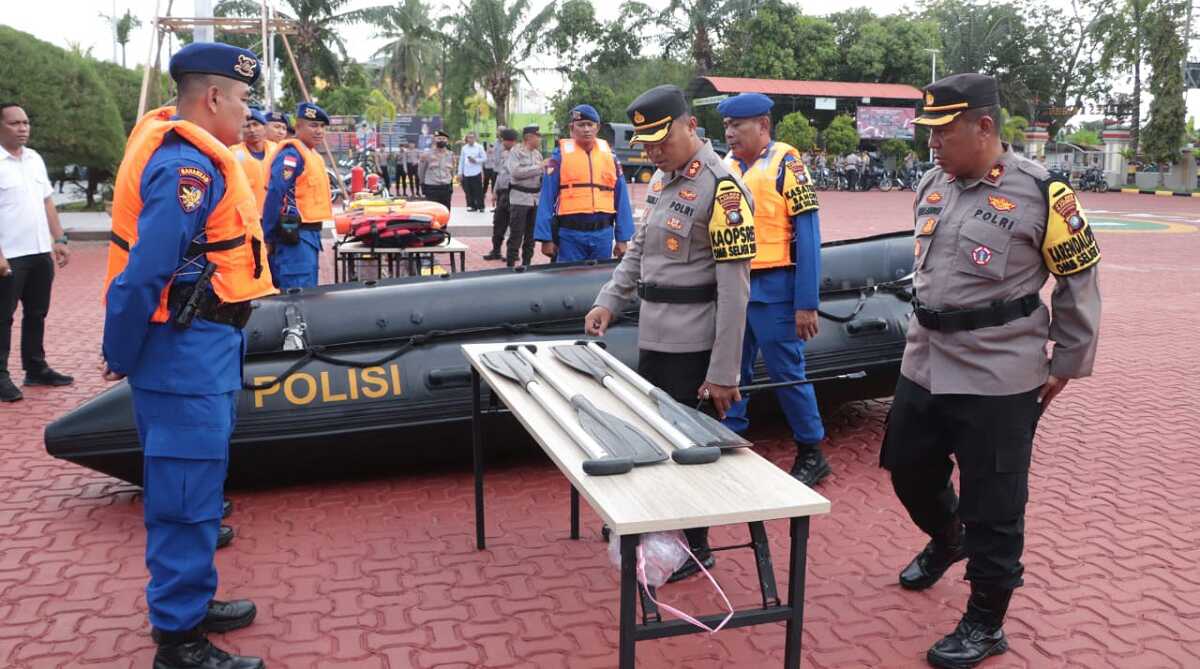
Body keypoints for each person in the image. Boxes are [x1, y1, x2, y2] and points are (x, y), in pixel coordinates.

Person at [882, 73, 1101, 669]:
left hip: (1000, 371)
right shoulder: (933, 183)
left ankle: (986, 621)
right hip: (925, 359)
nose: (932, 143)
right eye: (928, 131)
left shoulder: (1043, 193)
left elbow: (1078, 283)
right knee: (907, 470)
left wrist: (1068, 360)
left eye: (943, 130)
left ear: (984, 127)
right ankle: (948, 538)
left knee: (995, 500)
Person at [101, 42, 275, 669]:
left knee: (199, 489)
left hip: (204, 347)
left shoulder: (196, 159)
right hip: (181, 355)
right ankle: (178, 641)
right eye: (243, 98)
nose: (247, 112)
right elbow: (144, 273)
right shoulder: (186, 169)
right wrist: (119, 351)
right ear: (213, 98)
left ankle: (192, 601)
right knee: (181, 497)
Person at [585, 85, 754, 583]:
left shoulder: (721, 188)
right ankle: (664, 529)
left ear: (690, 127)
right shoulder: (663, 181)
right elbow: (639, 250)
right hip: (656, 334)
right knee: (656, 435)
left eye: (663, 140)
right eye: (648, 144)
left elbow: (735, 288)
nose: (656, 152)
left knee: (691, 448)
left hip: (695, 341)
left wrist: (724, 371)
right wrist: (609, 300)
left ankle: (696, 547)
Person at [716, 93, 830, 486]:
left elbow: (808, 233)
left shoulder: (788, 163)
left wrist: (806, 303)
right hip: (733, 288)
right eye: (727, 126)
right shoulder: (725, 166)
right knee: (731, 369)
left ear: (763, 125)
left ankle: (812, 451)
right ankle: (730, 440)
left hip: (775, 286)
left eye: (738, 126)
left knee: (787, 372)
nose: (729, 133)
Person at [0, 102, 72, 402]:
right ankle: (1, 376)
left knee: (37, 313)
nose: (23, 129)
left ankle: (35, 368)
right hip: (9, 255)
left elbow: (47, 203)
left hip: (40, 252)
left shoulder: (34, 159)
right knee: (3, 317)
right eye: (15, 123)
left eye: (26, 123)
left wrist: (60, 239)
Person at [533, 104, 634, 262]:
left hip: (603, 235)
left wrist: (623, 238)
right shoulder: (559, 157)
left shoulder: (611, 158)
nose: (586, 129)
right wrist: (545, 238)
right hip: (570, 236)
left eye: (590, 124)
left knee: (599, 283)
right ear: (572, 128)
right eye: (581, 125)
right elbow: (546, 199)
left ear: (597, 127)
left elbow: (622, 200)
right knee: (570, 282)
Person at [261, 102, 333, 290]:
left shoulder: (312, 155)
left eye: (322, 126)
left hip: (309, 236)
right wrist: (268, 236)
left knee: (308, 293)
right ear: (298, 126)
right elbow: (275, 194)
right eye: (313, 125)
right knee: (297, 296)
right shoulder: (292, 155)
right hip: (293, 236)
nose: (319, 131)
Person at [504, 125, 544, 268]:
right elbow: (515, 172)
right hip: (520, 198)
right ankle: (510, 264)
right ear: (529, 137)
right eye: (538, 136)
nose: (540, 139)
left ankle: (527, 263)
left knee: (531, 236)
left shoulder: (537, 154)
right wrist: (539, 168)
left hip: (535, 199)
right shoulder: (516, 152)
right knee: (516, 234)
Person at [230, 108, 275, 211]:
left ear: (264, 127)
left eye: (256, 125)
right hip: (247, 214)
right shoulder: (233, 153)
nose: (252, 130)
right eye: (247, 126)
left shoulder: (277, 150)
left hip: (273, 214)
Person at [484, 128, 518, 261]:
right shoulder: (505, 154)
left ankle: (512, 254)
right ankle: (496, 250)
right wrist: (494, 192)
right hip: (502, 192)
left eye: (504, 140)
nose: (503, 142)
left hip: (514, 191)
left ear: (511, 141)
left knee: (514, 224)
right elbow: (500, 174)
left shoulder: (518, 154)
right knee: (498, 222)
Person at [421, 130, 454, 211]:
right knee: (432, 213)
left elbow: (452, 171)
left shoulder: (451, 155)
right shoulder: (426, 155)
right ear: (434, 140)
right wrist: (423, 184)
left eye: (444, 139)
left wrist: (450, 183)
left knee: (445, 212)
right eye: (439, 138)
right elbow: (421, 171)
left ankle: (444, 225)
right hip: (432, 188)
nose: (441, 140)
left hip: (446, 188)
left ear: (447, 141)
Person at [458, 132, 486, 211]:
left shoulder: (479, 147)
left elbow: (484, 158)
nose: (470, 139)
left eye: (472, 137)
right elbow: (461, 161)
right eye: (469, 138)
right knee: (468, 190)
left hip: (476, 171)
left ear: (475, 138)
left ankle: (481, 206)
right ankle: (471, 205)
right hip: (466, 172)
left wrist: (476, 160)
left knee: (478, 190)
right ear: (466, 139)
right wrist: (460, 172)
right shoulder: (464, 148)